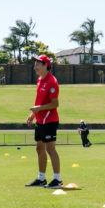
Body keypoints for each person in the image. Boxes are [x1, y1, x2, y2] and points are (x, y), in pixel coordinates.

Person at [25, 55, 63, 189]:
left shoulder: (52, 81)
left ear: (46, 65)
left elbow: (55, 104)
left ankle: (57, 179)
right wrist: (33, 115)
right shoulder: (39, 80)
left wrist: (38, 109)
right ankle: (41, 178)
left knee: (50, 149)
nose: (35, 67)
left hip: (50, 120)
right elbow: (39, 101)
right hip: (40, 120)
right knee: (39, 148)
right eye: (35, 64)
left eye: (38, 64)